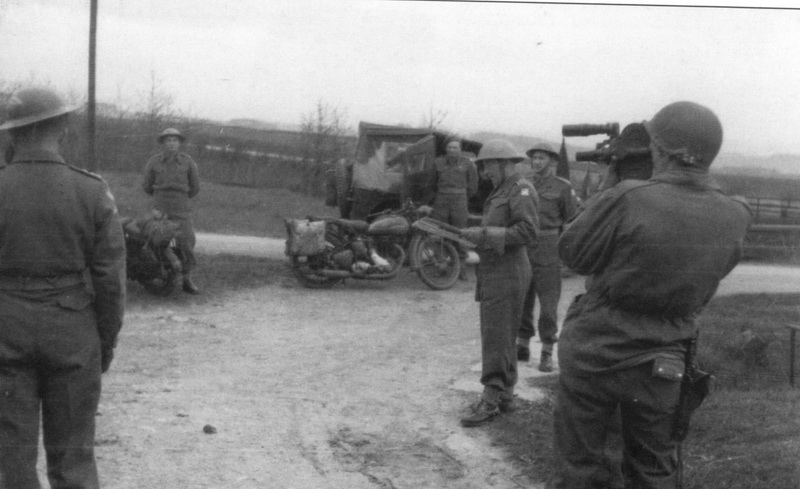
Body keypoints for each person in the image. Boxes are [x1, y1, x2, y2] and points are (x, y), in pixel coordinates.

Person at [550, 101, 752, 488]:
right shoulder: (736, 213)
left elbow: (574, 252)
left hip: (597, 347)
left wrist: (611, 186)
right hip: (666, 357)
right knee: (655, 468)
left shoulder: (627, 197)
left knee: (581, 466)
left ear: (661, 151)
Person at [0, 87, 126, 488]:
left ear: (12, 134)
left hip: (4, 326)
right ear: (63, 128)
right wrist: (105, 340)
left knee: (10, 456)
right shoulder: (91, 190)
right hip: (72, 330)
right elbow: (110, 280)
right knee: (74, 455)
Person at [458, 139, 539, 427]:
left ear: (504, 163)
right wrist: (475, 228)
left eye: (487, 166)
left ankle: (490, 400)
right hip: (495, 270)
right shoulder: (502, 190)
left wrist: (485, 235)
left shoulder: (521, 189)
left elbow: (528, 231)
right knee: (502, 335)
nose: (484, 173)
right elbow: (497, 224)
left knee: (496, 336)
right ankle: (505, 395)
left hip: (508, 270)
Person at [516, 143, 577, 372]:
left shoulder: (563, 187)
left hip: (549, 245)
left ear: (552, 161)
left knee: (548, 302)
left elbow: (571, 222)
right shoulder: (523, 184)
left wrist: (566, 253)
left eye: (542, 158)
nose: (537, 162)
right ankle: (522, 345)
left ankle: (547, 350)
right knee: (523, 297)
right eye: (535, 158)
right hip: (524, 244)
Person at [143, 127, 201, 294]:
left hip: (181, 207)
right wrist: (159, 200)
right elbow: (147, 186)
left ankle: (187, 278)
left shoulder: (188, 162)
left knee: (187, 241)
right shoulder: (154, 162)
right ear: (163, 143)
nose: (171, 143)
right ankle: (158, 275)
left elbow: (195, 187)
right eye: (168, 140)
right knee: (157, 239)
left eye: (175, 140)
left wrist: (180, 199)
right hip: (160, 206)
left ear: (179, 143)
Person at [431, 137, 479, 280]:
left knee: (460, 233)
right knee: (439, 232)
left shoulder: (468, 164)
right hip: (441, 200)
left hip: (460, 200)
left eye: (455, 147)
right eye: (450, 147)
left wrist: (462, 197)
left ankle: (461, 268)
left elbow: (473, 186)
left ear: (460, 149)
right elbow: (432, 183)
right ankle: (441, 266)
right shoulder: (438, 162)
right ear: (446, 149)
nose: (452, 150)